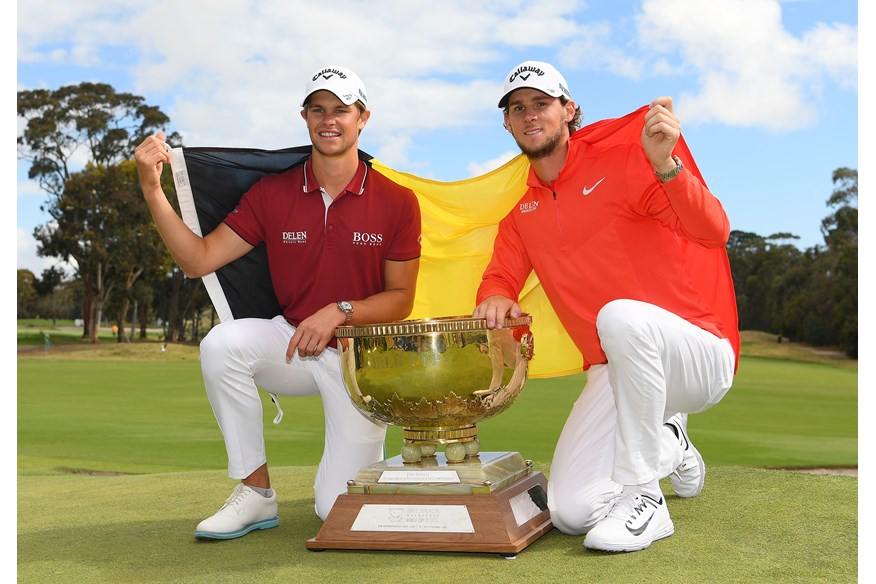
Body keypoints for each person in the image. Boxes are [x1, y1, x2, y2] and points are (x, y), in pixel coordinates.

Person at [134, 65, 422, 540]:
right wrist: (151, 189)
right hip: (292, 343)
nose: (329, 120)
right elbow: (198, 260)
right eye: (318, 110)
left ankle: (377, 472)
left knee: (334, 508)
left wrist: (340, 311)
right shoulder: (272, 193)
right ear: (305, 117)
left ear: (363, 117)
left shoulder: (397, 201)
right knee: (222, 345)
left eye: (341, 110)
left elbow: (401, 299)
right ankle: (255, 492)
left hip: (360, 361)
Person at [473, 61, 739, 552]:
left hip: (697, 355)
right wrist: (494, 294)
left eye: (542, 103)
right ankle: (667, 443)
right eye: (517, 108)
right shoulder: (521, 214)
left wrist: (666, 167)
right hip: (617, 370)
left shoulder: (624, 165)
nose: (530, 115)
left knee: (618, 314)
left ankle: (646, 498)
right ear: (507, 124)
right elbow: (500, 276)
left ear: (568, 110)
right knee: (572, 512)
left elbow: (713, 231)